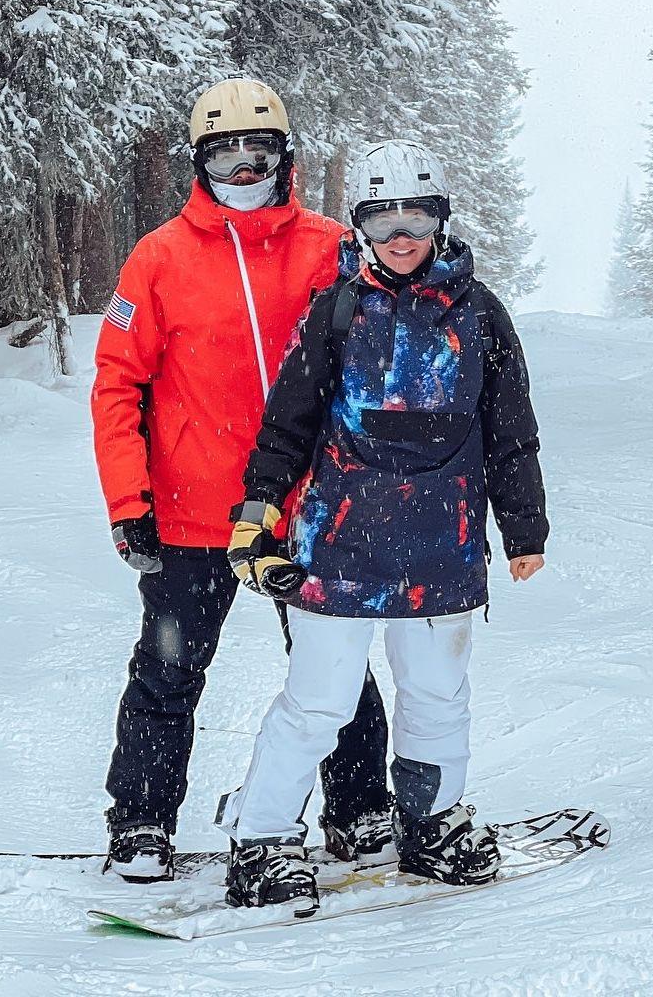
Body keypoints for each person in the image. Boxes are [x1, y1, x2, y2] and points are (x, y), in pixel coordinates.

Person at [219, 139, 549, 913]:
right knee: (319, 700)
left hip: (446, 542)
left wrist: (524, 528)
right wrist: (259, 508)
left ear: (441, 218)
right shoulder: (336, 310)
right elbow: (288, 423)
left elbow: (511, 430)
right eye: (383, 218)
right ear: (362, 224)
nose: (402, 236)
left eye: (418, 216)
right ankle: (263, 840)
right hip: (341, 539)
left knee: (437, 695)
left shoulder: (481, 314)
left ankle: (432, 826)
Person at [90, 78, 394, 880]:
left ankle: (362, 807)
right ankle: (142, 823)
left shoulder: (332, 247)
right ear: (200, 161)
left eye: (258, 151)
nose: (243, 166)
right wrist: (129, 500)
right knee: (167, 669)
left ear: (284, 156)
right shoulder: (158, 259)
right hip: (193, 512)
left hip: (310, 510)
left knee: (336, 670)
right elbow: (116, 382)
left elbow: (377, 362)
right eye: (225, 152)